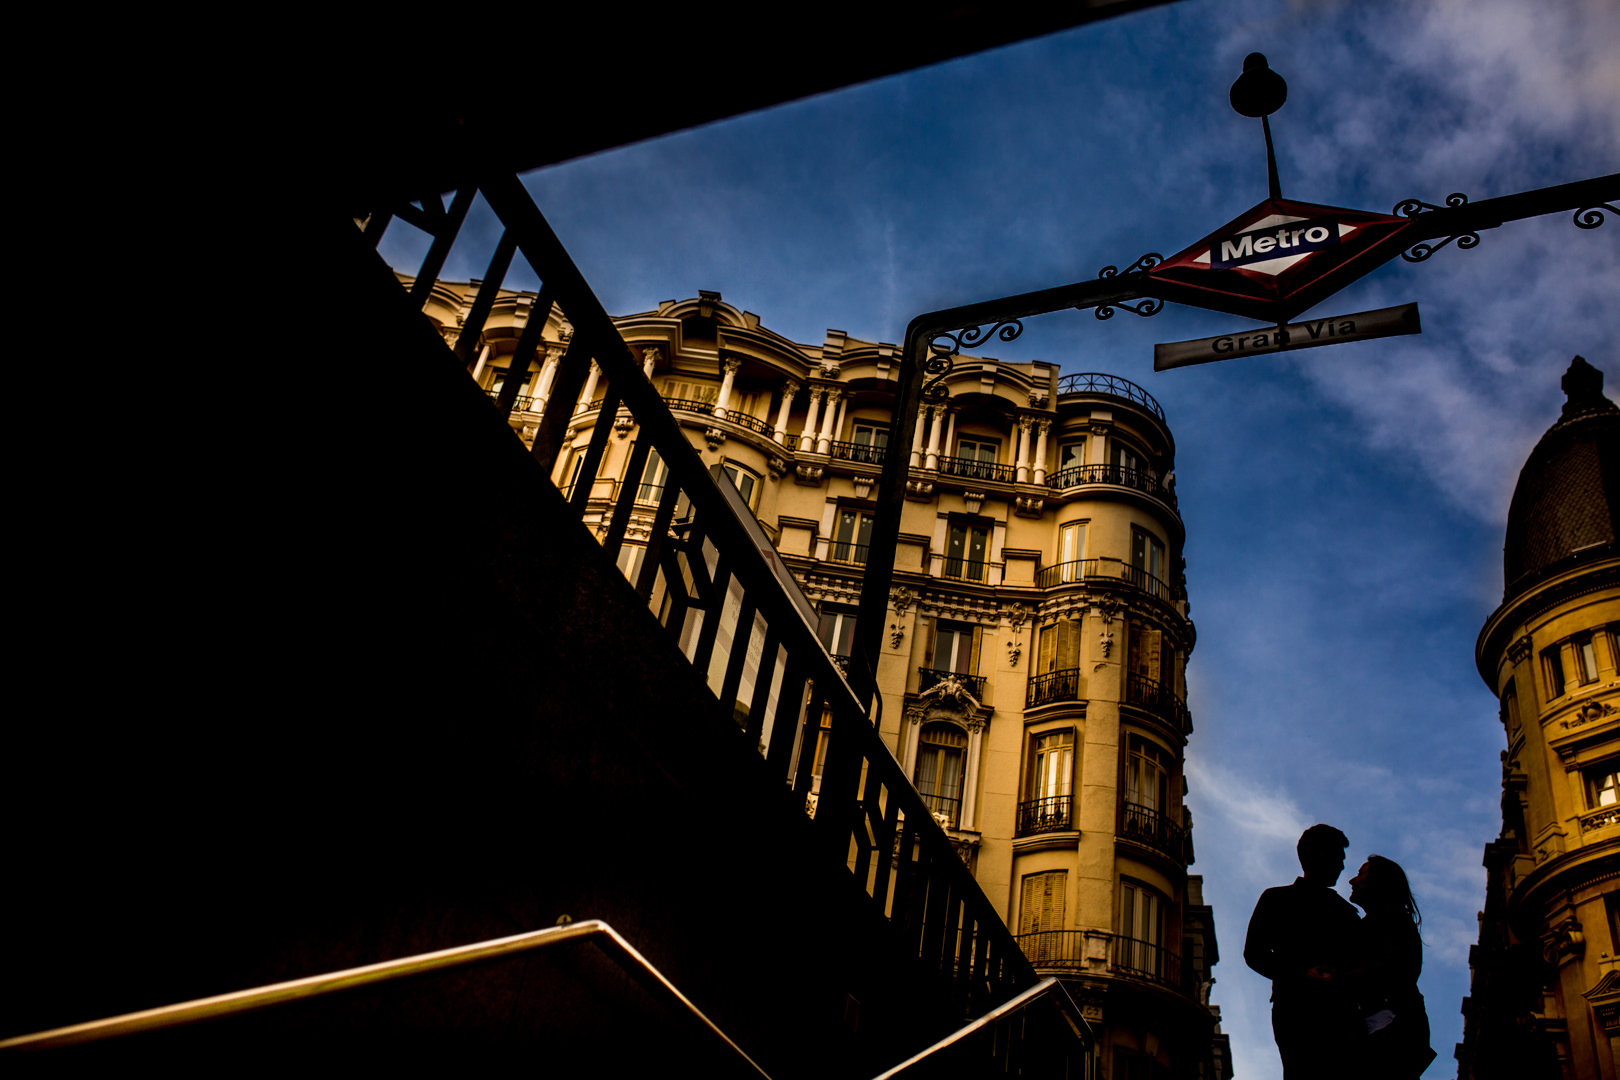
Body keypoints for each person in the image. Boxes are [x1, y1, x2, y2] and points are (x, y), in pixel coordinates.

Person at [1244, 824, 1364, 1079]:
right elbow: (1254, 953)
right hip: (1298, 1011)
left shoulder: (1346, 912)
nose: (1343, 866)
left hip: (1341, 1014)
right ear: (1321, 854)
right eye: (1339, 857)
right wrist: (1302, 974)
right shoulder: (1277, 899)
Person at [1344, 855, 1437, 1078]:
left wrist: (1338, 979)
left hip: (1389, 1034)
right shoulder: (1377, 924)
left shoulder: (1394, 922)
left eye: (1361, 874)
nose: (1352, 881)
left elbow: (1394, 969)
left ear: (1379, 883)